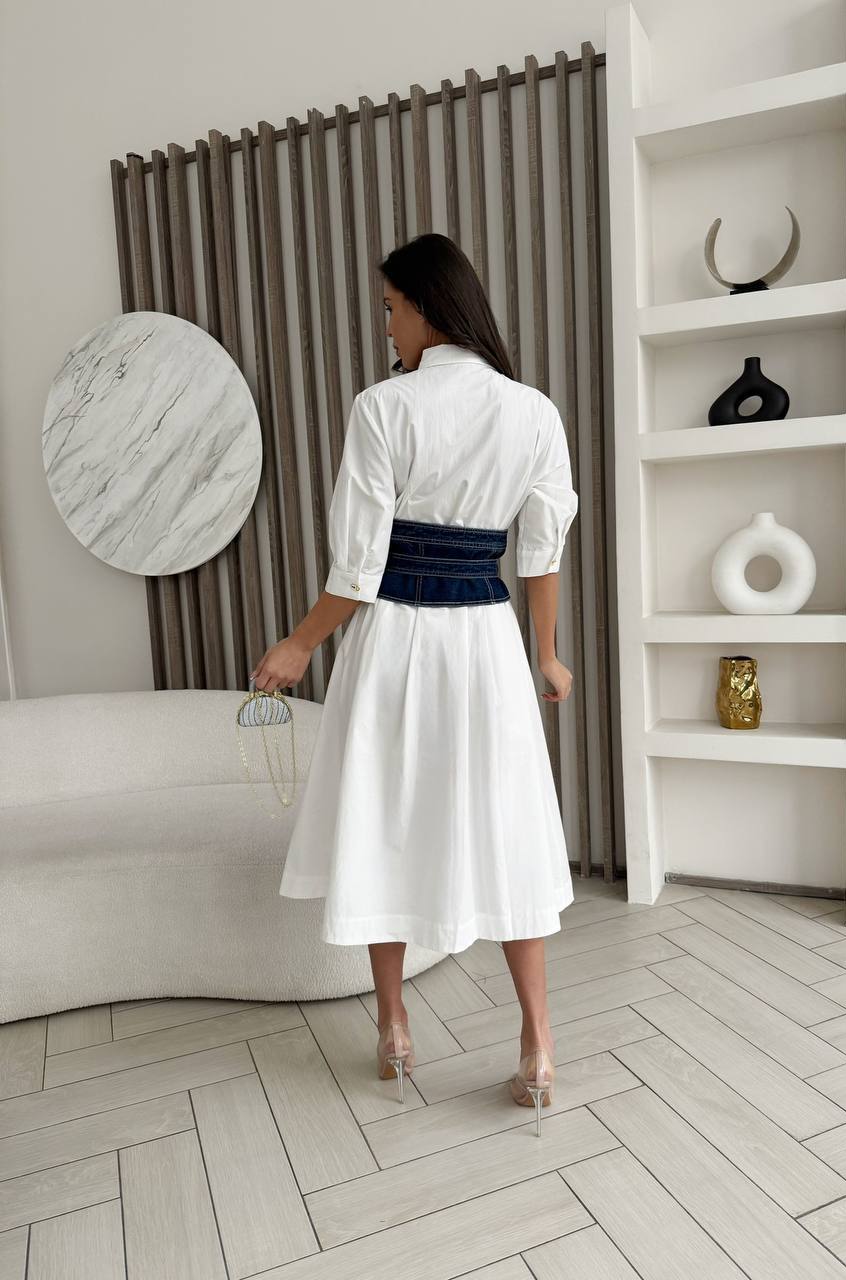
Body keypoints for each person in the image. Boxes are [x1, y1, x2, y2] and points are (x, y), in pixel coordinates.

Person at [250, 232, 578, 1132]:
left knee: (383, 820)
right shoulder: (533, 412)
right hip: (485, 647)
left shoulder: (382, 408)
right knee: (508, 826)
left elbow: (358, 568)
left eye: (391, 308)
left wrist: (299, 644)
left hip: (395, 643)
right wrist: (547, 653)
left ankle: (394, 1027)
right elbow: (541, 552)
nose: (388, 326)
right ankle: (538, 1042)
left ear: (428, 308)